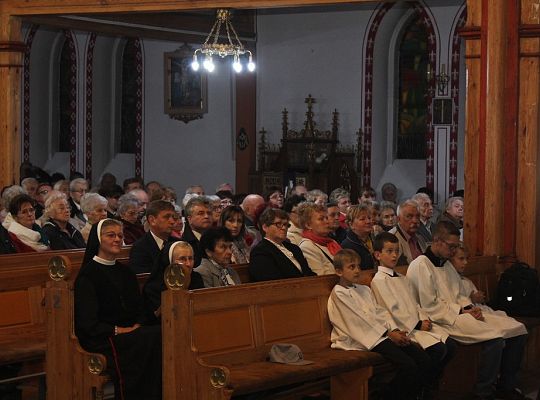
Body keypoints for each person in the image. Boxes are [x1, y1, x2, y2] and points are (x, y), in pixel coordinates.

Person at [406, 221, 511, 400]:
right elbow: (429, 305)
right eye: (451, 246)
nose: (454, 251)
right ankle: (483, 392)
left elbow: (458, 293)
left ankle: (499, 386)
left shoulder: (446, 265)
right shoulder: (421, 265)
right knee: (495, 340)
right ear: (437, 241)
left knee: (506, 333)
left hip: (457, 315)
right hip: (440, 320)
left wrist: (469, 307)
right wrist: (462, 311)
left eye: (456, 246)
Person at [74, 219, 161, 400]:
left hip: (131, 334)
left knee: (160, 334)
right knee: (150, 339)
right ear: (98, 239)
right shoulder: (88, 275)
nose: (117, 239)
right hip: (104, 338)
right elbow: (87, 323)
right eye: (111, 235)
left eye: (120, 236)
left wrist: (138, 324)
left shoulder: (125, 271)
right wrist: (121, 330)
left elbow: (139, 307)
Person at [327, 249, 431, 400]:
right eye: (351, 267)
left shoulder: (364, 289)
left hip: (380, 334)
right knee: (408, 365)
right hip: (362, 337)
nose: (357, 270)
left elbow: (380, 312)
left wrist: (394, 329)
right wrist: (389, 334)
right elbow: (359, 322)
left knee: (423, 359)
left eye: (358, 266)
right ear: (338, 271)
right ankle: (386, 395)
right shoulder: (339, 293)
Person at [370, 232, 456, 397]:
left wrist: (423, 318)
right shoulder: (379, 280)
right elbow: (391, 310)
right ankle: (420, 389)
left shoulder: (402, 277)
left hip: (418, 325)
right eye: (389, 251)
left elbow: (415, 303)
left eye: (396, 250)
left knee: (450, 346)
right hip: (406, 329)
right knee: (437, 351)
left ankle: (426, 384)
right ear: (377, 255)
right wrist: (417, 324)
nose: (395, 255)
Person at [448, 244, 529, 400]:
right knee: (496, 339)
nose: (465, 263)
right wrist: (470, 302)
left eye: (466, 259)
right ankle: (484, 390)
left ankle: (506, 384)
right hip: (463, 317)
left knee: (519, 330)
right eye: (460, 259)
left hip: (481, 312)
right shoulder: (445, 276)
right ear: (450, 260)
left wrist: (476, 300)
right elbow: (450, 301)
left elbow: (472, 298)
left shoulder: (463, 279)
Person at [249, 208, 314, 282]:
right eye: (278, 224)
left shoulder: (294, 248)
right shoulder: (260, 252)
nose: (284, 228)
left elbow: (309, 273)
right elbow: (271, 282)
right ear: (265, 227)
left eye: (286, 224)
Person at [143, 241, 204, 316]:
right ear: (170, 261)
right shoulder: (154, 287)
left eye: (190, 258)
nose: (188, 264)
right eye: (182, 259)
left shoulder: (196, 278)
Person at [129, 200, 178, 274]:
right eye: (166, 217)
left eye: (173, 217)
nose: (172, 221)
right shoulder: (140, 248)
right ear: (152, 220)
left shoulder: (178, 244)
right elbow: (144, 279)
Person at [298, 202, 340, 275]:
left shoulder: (332, 242)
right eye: (321, 219)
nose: (327, 221)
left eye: (326, 218)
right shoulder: (307, 247)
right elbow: (319, 278)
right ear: (308, 225)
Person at [389, 199, 427, 265]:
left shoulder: (420, 237)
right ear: (398, 219)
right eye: (409, 216)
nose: (415, 221)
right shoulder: (390, 238)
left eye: (417, 216)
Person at [341, 204, 375, 270]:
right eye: (362, 219)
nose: (368, 221)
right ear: (351, 224)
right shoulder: (347, 246)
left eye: (369, 218)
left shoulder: (375, 240)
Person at [181, 196, 213, 267]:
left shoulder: (216, 238)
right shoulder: (184, 243)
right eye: (201, 213)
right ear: (189, 219)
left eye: (209, 213)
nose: (206, 216)